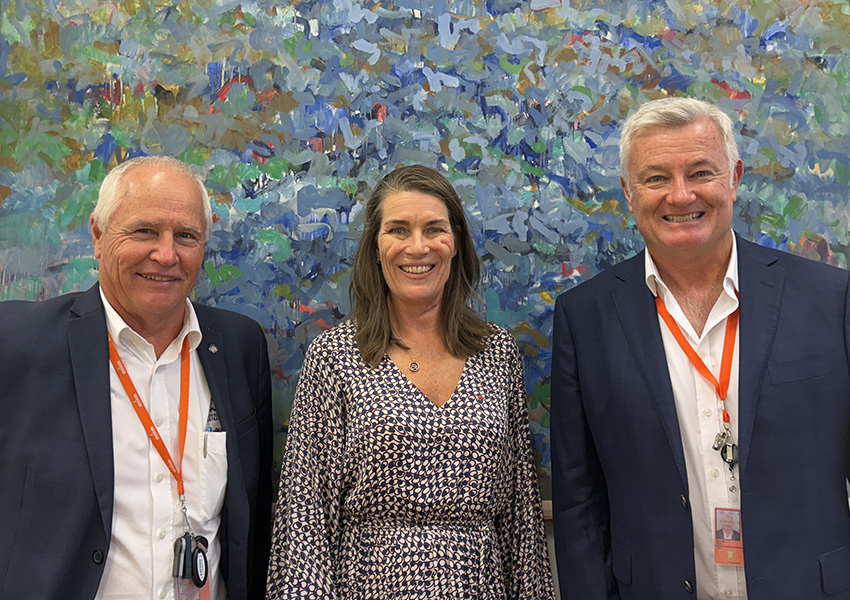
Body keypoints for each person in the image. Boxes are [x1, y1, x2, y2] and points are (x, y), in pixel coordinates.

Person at [551, 97, 850, 600]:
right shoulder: (585, 317)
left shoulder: (832, 299)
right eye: (655, 178)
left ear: (734, 177)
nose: (680, 195)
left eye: (700, 172)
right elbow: (579, 498)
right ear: (628, 192)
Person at [266, 164, 553, 598]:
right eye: (398, 230)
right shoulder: (335, 357)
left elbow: (520, 521)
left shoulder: (497, 353)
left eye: (434, 229)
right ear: (376, 246)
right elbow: (302, 522)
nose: (417, 247)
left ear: (455, 243)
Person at [0, 156, 273, 600]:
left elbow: (253, 516)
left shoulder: (239, 348)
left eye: (185, 236)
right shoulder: (17, 344)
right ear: (98, 236)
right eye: (144, 231)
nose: (166, 255)